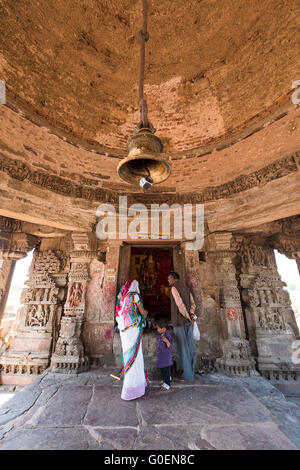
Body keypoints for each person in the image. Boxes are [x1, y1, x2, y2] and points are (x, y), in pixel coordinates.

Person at [115, 279, 148, 400]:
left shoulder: (121, 297)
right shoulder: (135, 296)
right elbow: (142, 311)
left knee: (128, 354)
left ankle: (131, 386)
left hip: (124, 330)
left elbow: (119, 312)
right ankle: (135, 386)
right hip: (134, 328)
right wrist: (145, 314)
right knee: (136, 354)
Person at [167, 271, 197, 383]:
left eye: (169, 278)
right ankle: (191, 372)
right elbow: (193, 303)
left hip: (180, 321)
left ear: (173, 278)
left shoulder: (174, 288)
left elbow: (179, 304)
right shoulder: (186, 288)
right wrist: (191, 314)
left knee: (183, 349)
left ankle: (187, 376)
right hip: (189, 321)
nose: (168, 280)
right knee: (190, 347)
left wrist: (186, 315)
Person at [155, 318, 173, 391]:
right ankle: (167, 378)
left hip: (165, 357)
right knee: (163, 369)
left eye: (158, 328)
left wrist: (166, 341)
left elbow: (170, 345)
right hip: (162, 357)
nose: (157, 330)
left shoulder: (167, 336)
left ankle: (167, 384)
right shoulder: (162, 334)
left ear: (164, 328)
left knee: (165, 370)